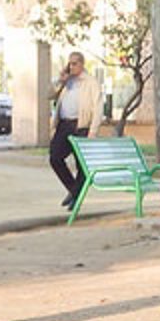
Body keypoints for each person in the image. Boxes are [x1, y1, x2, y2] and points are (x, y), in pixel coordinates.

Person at [48, 52, 103, 209]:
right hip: (64, 125)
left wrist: (93, 131)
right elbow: (48, 95)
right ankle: (74, 191)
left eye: (74, 64)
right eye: (69, 63)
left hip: (81, 126)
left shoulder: (91, 82)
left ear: (81, 64)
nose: (71, 67)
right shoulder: (66, 82)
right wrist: (60, 81)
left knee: (82, 166)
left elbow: (98, 108)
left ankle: (75, 196)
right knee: (55, 158)